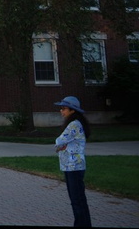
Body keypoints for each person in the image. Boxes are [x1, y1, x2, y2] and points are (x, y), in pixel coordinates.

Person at [54, 96, 92, 227]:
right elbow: (61, 144)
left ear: (73, 110)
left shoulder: (74, 124)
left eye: (64, 108)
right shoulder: (74, 123)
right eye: (61, 108)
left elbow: (59, 141)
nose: (61, 111)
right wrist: (61, 146)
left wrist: (60, 146)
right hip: (70, 167)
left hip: (74, 167)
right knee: (76, 200)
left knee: (77, 200)